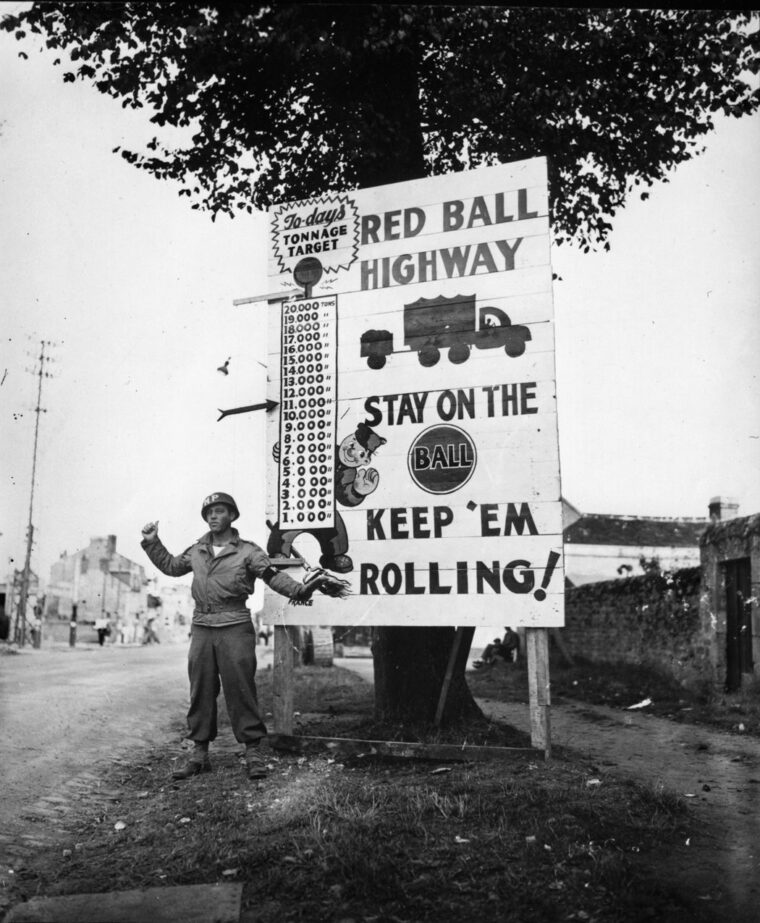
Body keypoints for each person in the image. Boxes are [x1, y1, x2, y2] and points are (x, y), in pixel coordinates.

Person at [141, 491, 348, 782]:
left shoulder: (248, 551)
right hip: (202, 626)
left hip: (235, 625)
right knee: (200, 689)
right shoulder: (197, 550)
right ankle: (199, 754)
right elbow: (172, 567)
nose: (213, 516)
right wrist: (152, 543)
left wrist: (300, 590)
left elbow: (272, 575)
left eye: (220, 511)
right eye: (209, 512)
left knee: (240, 689)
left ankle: (253, 753)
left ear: (232, 516)